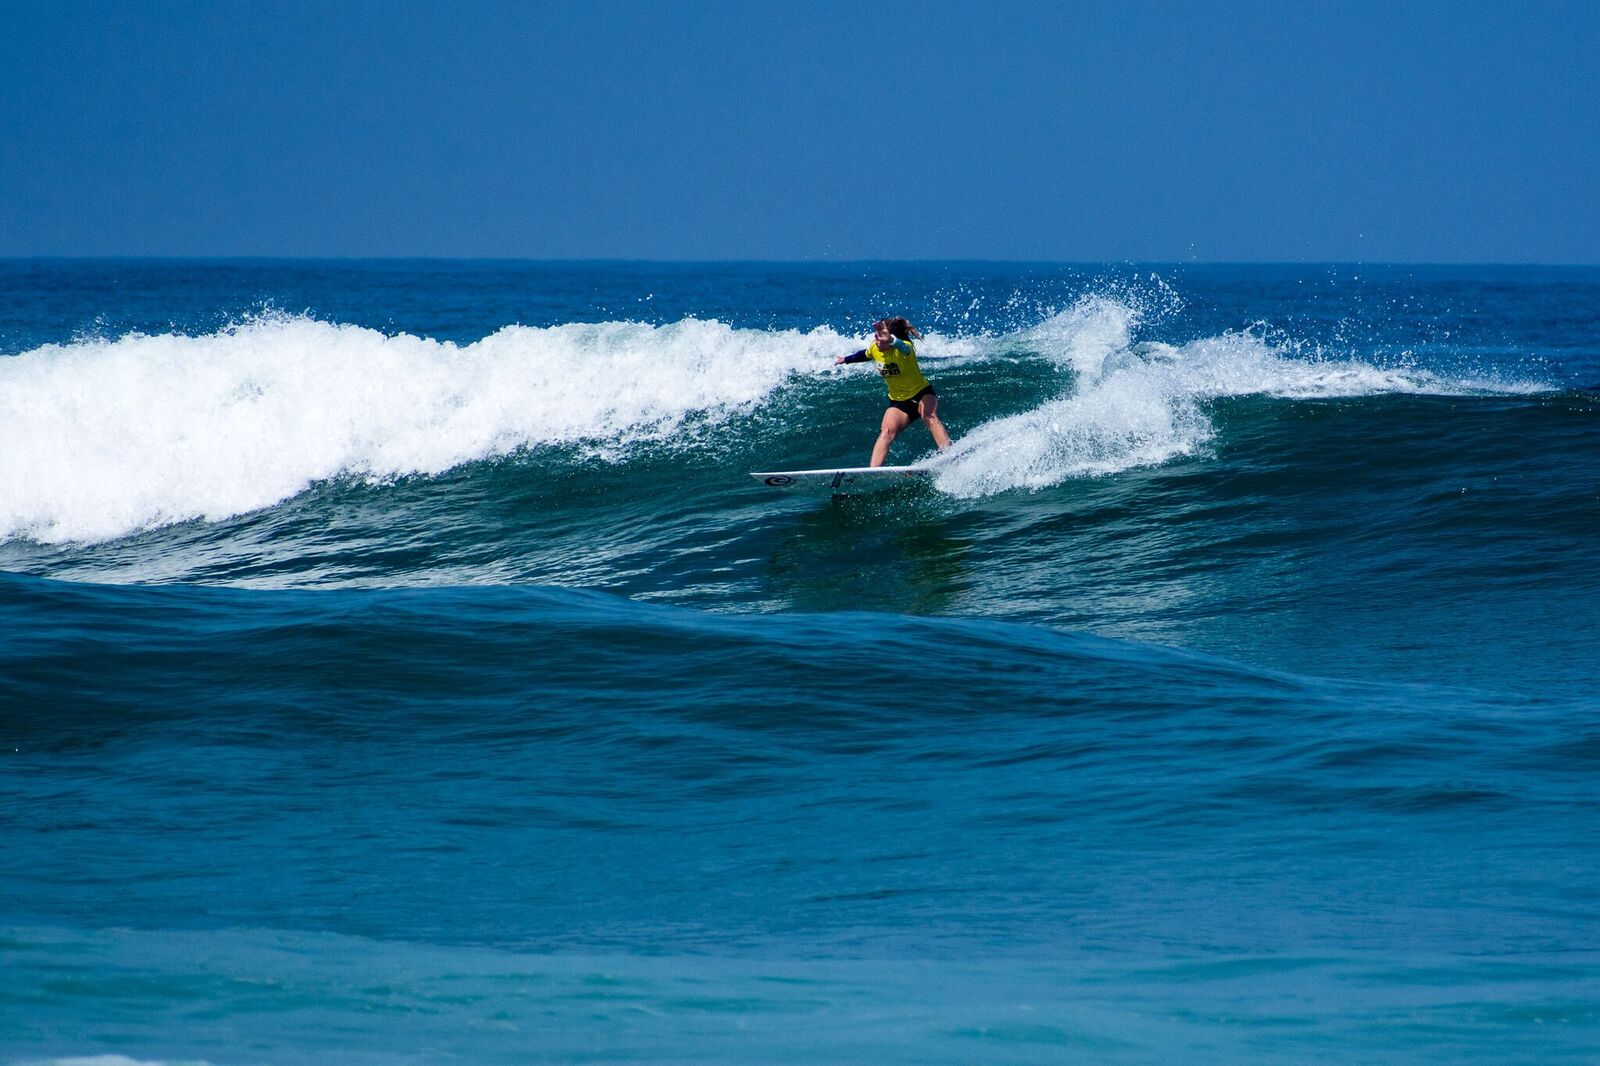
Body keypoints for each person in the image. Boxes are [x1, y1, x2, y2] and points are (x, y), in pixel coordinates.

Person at [834, 317, 951, 466]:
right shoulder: (875, 348)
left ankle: (950, 456)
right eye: (877, 338)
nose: (878, 343)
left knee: (929, 417)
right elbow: (865, 354)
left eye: (883, 340)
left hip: (922, 394)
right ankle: (873, 472)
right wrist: (845, 359)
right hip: (899, 403)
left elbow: (902, 346)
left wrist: (891, 340)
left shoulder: (904, 348)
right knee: (886, 432)